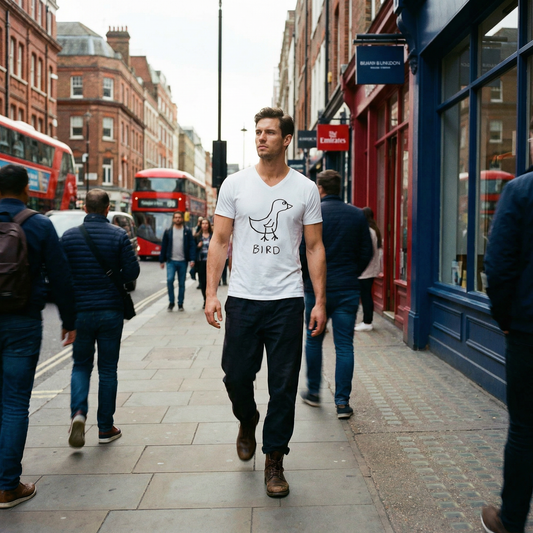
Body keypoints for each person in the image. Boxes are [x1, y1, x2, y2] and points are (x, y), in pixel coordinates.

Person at [205, 107, 326, 498]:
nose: (261, 138)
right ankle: (247, 418)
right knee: (235, 376)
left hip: (287, 301)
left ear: (286, 139)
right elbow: (220, 241)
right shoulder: (234, 185)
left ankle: (274, 458)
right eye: (258, 132)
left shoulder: (305, 189)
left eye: (270, 132)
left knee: (284, 386)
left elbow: (314, 246)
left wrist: (318, 301)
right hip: (242, 298)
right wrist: (211, 293)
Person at [0, 164, 76, 509]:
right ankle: (7, 486)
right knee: (15, 403)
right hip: (22, 321)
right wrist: (69, 320)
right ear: (27, 189)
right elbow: (60, 277)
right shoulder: (39, 224)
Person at [481, 133, 533, 533]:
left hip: (528, 331)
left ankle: (511, 519)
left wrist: (505, 319)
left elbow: (497, 268)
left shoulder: (520, 191)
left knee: (525, 427)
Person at [61, 189, 139, 448]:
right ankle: (105, 428)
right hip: (110, 311)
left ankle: (78, 414)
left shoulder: (69, 237)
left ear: (85, 207)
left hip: (80, 312)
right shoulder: (118, 235)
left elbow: (61, 279)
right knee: (108, 369)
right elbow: (131, 272)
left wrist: (66, 318)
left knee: (81, 365)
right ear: (107, 209)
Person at [301, 170, 372, 419]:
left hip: (315, 290)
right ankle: (342, 402)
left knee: (313, 340)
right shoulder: (356, 215)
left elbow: (303, 250)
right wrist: (352, 273)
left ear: (320, 188)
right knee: (344, 346)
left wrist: (308, 279)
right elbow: (367, 251)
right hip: (347, 290)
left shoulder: (313, 213)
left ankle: (313, 392)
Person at [159, 211, 196, 311]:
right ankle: (171, 302)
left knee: (181, 283)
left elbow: (192, 245)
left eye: (179, 217)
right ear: (173, 219)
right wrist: (161, 260)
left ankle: (180, 303)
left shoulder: (187, 231)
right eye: (176, 217)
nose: (178, 219)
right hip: (171, 261)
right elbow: (164, 246)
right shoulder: (168, 231)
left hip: (183, 261)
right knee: (170, 280)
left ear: (182, 219)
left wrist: (192, 259)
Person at [354, 207, 382, 332]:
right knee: (366, 295)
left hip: (366, 270)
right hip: (370, 269)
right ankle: (367, 320)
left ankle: (367, 321)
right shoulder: (374, 230)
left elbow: (366, 251)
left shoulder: (369, 231)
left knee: (365, 295)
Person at [195, 218, 213, 308]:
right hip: (201, 262)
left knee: (210, 282)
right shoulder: (198, 236)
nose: (205, 225)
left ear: (209, 225)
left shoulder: (213, 236)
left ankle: (210, 299)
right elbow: (193, 249)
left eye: (206, 223)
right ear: (201, 225)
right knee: (202, 282)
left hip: (211, 262)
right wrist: (198, 247)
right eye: (203, 223)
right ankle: (205, 299)